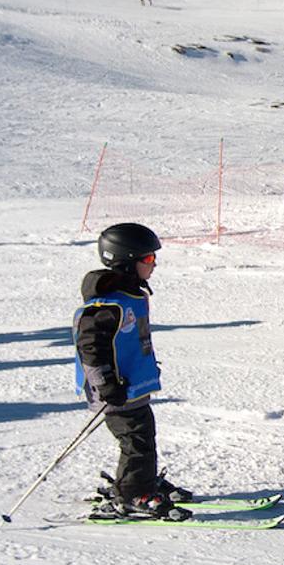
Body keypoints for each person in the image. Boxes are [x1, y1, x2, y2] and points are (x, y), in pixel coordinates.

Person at [74, 223, 193, 520]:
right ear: (127, 261)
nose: (154, 265)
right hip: (115, 390)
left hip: (131, 387)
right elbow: (90, 348)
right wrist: (106, 385)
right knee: (136, 441)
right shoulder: (107, 305)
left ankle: (142, 481)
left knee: (142, 436)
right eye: (149, 259)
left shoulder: (129, 295)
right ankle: (132, 494)